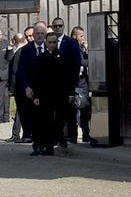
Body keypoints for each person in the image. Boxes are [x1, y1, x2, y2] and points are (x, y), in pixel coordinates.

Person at [16, 22, 62, 156]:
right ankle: (37, 145)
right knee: (36, 119)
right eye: (38, 33)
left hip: (49, 91)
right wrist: (26, 87)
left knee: (49, 119)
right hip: (33, 89)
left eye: (43, 33)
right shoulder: (26, 50)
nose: (40, 36)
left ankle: (49, 144)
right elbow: (21, 71)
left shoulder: (53, 51)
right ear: (33, 34)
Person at [62, 26, 95, 146]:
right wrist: (90, 61)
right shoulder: (70, 47)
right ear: (75, 36)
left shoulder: (82, 48)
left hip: (83, 83)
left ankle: (86, 133)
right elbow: (78, 62)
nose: (83, 39)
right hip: (75, 83)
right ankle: (72, 134)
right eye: (81, 36)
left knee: (85, 109)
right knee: (73, 109)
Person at [6, 33, 28, 143]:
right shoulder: (22, 50)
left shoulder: (20, 51)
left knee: (21, 111)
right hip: (24, 85)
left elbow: (14, 71)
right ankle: (17, 133)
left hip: (21, 86)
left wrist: (12, 88)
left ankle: (19, 134)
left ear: (14, 41)